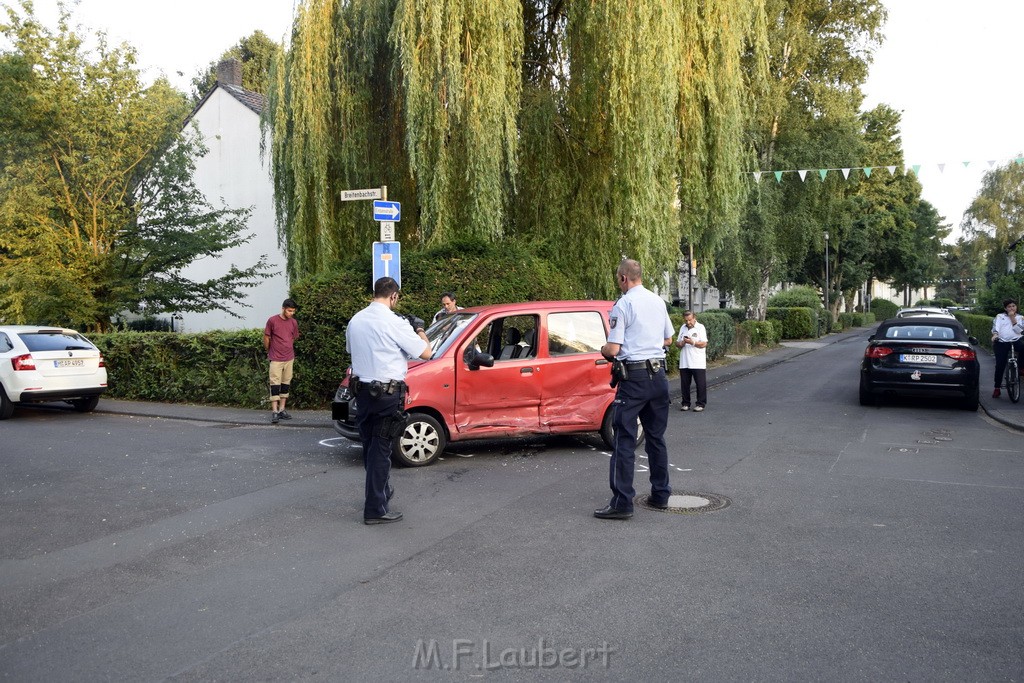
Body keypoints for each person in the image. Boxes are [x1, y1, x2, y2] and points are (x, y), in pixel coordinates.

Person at [346, 277, 432, 524]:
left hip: (362, 393)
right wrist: (419, 329)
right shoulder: (395, 322)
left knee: (370, 446)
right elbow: (426, 353)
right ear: (394, 296)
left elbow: (351, 350)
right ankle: (375, 509)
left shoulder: (356, 320)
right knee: (381, 450)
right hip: (386, 394)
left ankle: (380, 491)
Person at [594, 259, 675, 520]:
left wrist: (603, 350)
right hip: (659, 375)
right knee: (655, 437)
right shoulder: (657, 301)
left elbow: (614, 349)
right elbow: (668, 339)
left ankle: (622, 502)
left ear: (623, 278)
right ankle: (661, 494)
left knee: (625, 440)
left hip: (635, 378)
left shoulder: (624, 304)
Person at [264, 298, 300, 424]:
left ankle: (282, 410)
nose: (291, 313)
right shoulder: (272, 320)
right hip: (276, 358)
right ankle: (274, 411)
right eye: (289, 311)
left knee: (286, 383)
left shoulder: (293, 322)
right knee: (275, 383)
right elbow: (267, 337)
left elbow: (293, 337)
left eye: (293, 311)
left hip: (289, 357)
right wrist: (269, 350)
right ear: (283, 308)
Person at [676, 310, 709, 411]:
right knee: (685, 384)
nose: (688, 323)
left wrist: (692, 342)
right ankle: (685, 403)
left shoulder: (700, 327)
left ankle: (700, 404)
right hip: (685, 361)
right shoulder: (683, 327)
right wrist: (681, 343)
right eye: (686, 320)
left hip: (697, 361)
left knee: (700, 384)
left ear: (694, 318)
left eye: (690, 320)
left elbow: (704, 343)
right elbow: (677, 343)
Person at [991, 298, 1024, 398]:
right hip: (1002, 341)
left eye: (1013, 306)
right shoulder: (1000, 316)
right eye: (1009, 306)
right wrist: (995, 335)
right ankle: (997, 388)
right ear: (1005, 308)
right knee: (1000, 364)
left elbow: (1020, 331)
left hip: (1016, 339)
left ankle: (1021, 367)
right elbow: (995, 328)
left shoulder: (1020, 318)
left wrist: (1013, 318)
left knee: (1023, 348)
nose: (1011, 308)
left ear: (1016, 307)